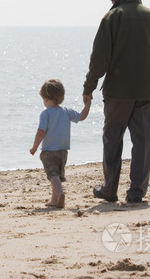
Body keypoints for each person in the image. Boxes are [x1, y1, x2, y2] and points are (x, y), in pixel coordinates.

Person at [83, 0, 150, 204]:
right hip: (147, 89)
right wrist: (149, 80)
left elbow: (99, 59)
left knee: (112, 140)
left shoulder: (112, 17)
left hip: (118, 90)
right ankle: (137, 192)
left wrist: (88, 87)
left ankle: (110, 189)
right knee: (143, 143)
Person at [30, 78, 90, 208]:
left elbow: (41, 132)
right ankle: (54, 200)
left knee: (52, 176)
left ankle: (61, 194)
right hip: (63, 151)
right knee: (57, 176)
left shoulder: (46, 114)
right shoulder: (66, 111)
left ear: (46, 99)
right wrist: (88, 103)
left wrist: (34, 147)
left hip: (49, 151)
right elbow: (82, 117)